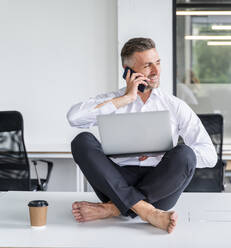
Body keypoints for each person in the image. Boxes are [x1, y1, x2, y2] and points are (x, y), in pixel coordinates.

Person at [67, 37, 217, 233]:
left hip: (160, 185)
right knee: (82, 141)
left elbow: (210, 155)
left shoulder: (174, 105)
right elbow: (74, 117)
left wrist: (164, 153)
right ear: (128, 70)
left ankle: (113, 209)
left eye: (158, 63)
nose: (156, 71)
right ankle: (148, 212)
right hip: (116, 180)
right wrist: (125, 99)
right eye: (148, 66)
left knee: (185, 154)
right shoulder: (113, 100)